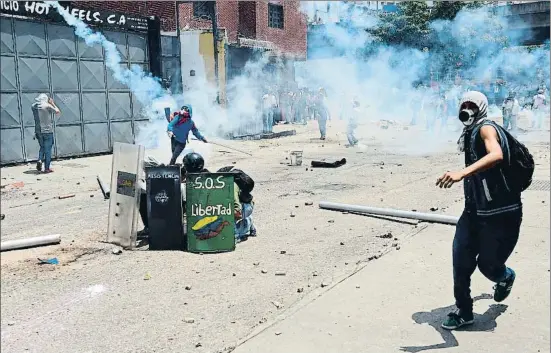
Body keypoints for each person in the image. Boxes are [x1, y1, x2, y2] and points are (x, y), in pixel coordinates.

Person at [436, 91, 522, 330]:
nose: (467, 109)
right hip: (473, 211)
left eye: (472, 105)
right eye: (463, 104)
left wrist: (462, 173)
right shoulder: (469, 132)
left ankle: (505, 277)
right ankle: (464, 311)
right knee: (460, 260)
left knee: (488, 266)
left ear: (481, 107)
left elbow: (496, 154)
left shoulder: (486, 129)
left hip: (501, 214)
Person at [31, 93, 60, 173]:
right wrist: (52, 103)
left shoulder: (33, 106)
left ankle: (40, 160)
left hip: (38, 131)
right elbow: (57, 111)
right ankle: (47, 168)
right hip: (47, 131)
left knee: (42, 147)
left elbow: (36, 104)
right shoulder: (47, 106)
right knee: (48, 149)